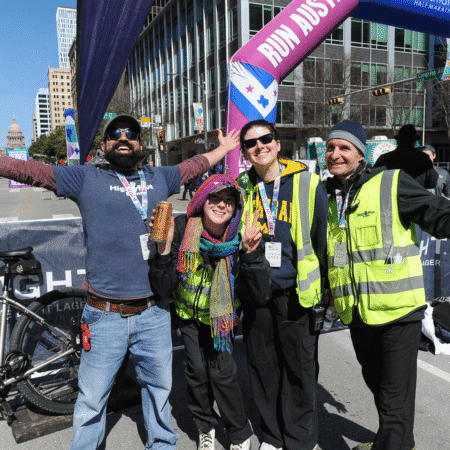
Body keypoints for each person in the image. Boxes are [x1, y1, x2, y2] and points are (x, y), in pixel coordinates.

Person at [0, 114, 240, 450]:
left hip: (154, 314)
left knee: (158, 394)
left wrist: (224, 149)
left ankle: (161, 445)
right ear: (104, 145)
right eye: (115, 135)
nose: (123, 139)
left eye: (131, 135)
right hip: (103, 316)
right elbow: (30, 172)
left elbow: (194, 165)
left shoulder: (160, 177)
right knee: (91, 402)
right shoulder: (84, 178)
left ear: (141, 145)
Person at [325, 120, 450, 450]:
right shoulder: (327, 195)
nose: (335, 153)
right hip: (358, 315)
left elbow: (438, 213)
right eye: (330, 147)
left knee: (395, 401)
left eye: (344, 148)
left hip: (398, 313)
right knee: (379, 387)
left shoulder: (390, 183)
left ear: (359, 153)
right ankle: (398, 443)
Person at [149, 174, 269, 450]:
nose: (221, 205)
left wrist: (251, 255)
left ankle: (238, 433)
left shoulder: (241, 236)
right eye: (215, 198)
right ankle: (206, 426)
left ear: (235, 208)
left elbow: (260, 294)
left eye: (229, 201)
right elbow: (161, 286)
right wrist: (164, 249)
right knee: (196, 372)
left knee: (222, 374)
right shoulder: (181, 228)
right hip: (189, 316)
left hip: (222, 319)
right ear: (202, 200)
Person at [237, 119, 328, 450]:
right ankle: (273, 438)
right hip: (255, 293)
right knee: (263, 369)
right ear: (245, 153)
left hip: (295, 294)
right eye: (251, 143)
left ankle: (299, 441)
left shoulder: (308, 183)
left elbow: (321, 240)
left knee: (299, 372)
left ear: (277, 144)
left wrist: (325, 290)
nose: (259, 146)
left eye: (265, 139)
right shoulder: (240, 188)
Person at [373, 123, 438, 189]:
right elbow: (432, 183)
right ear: (414, 141)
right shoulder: (423, 158)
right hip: (416, 197)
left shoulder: (384, 159)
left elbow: (374, 181)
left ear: (398, 141)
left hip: (390, 197)